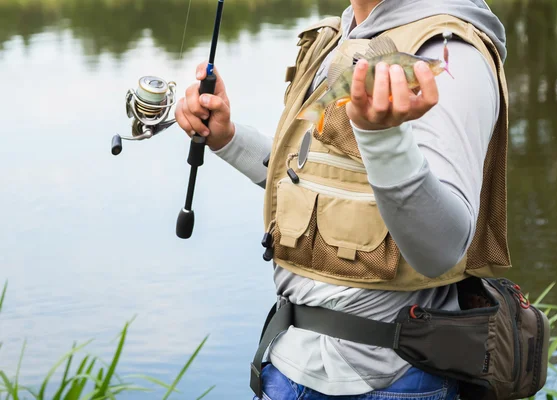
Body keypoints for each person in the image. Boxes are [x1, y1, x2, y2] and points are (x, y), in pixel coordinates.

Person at [175, 0, 511, 399]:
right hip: (284, 365)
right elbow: (315, 183)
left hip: (391, 383)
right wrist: (229, 139)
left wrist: (382, 139)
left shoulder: (448, 51)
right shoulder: (338, 39)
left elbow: (443, 250)